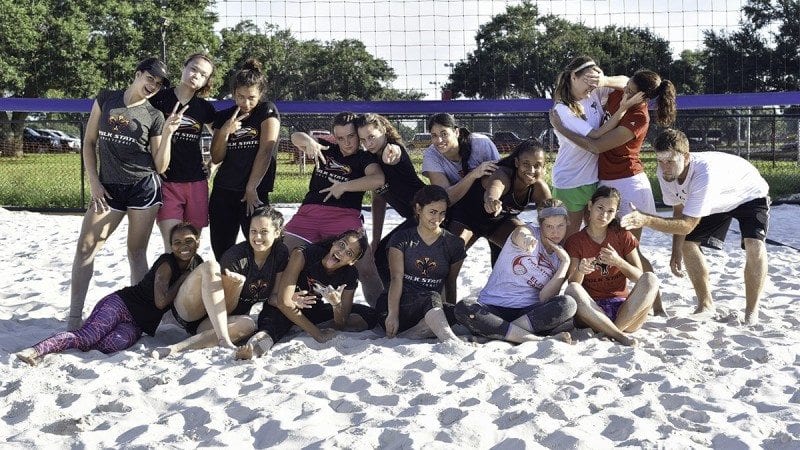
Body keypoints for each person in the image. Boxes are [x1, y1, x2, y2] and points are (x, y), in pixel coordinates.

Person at [68, 57, 186, 331]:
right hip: (107, 187)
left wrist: (168, 132)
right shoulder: (106, 99)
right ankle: (74, 318)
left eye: (158, 84)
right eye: (150, 79)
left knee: (136, 252)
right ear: (137, 74)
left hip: (143, 188)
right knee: (86, 248)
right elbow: (88, 143)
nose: (153, 86)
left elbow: (161, 165)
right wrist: (94, 182)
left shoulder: (154, 116)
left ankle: (137, 318)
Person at [550, 69, 677, 316]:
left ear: (644, 98)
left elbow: (596, 146)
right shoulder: (622, 92)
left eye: (631, 91)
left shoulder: (639, 116)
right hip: (604, 181)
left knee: (631, 250)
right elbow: (617, 81)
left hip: (629, 183)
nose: (625, 92)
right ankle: (597, 296)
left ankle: (657, 305)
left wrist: (561, 129)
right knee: (596, 240)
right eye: (626, 87)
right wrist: (605, 80)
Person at [620, 129, 770, 324]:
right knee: (688, 246)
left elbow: (687, 225)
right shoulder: (664, 172)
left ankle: (751, 312)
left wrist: (646, 219)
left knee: (753, 244)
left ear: (686, 157)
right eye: (660, 161)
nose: (664, 167)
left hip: (748, 193)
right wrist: (676, 251)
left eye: (670, 161)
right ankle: (705, 304)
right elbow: (679, 209)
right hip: (717, 201)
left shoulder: (703, 174)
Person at [16, 223, 203, 365]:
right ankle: (34, 350)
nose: (183, 246)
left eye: (189, 241)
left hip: (137, 324)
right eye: (177, 242)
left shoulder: (199, 264)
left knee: (112, 344)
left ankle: (66, 344)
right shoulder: (166, 264)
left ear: (198, 241)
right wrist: (182, 279)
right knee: (87, 336)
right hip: (121, 304)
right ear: (171, 245)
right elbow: (161, 302)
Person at [151, 207, 289, 358]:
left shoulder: (280, 253)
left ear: (277, 232)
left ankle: (176, 348)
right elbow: (222, 303)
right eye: (253, 231)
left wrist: (292, 300)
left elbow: (274, 296)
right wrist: (235, 286)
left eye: (264, 231)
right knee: (211, 265)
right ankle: (223, 339)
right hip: (192, 310)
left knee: (248, 324)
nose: (257, 237)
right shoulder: (236, 257)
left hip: (210, 324)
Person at [285, 112, 385, 305]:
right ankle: (278, 303)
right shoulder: (326, 147)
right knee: (280, 254)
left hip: (345, 216)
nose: (346, 143)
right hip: (310, 213)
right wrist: (308, 140)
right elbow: (294, 137)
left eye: (351, 136)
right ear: (334, 137)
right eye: (340, 138)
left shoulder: (364, 159)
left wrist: (343, 186)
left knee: (366, 265)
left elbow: (378, 179)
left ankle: (382, 313)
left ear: (358, 134)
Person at [236, 230, 379, 359]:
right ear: (334, 243)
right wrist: (318, 334)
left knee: (369, 315)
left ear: (352, 261)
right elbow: (283, 302)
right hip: (283, 305)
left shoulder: (350, 274)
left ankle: (299, 326)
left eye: (349, 253)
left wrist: (336, 304)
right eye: (342, 245)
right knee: (270, 330)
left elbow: (341, 322)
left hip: (311, 308)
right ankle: (252, 350)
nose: (342, 252)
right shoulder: (304, 254)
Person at [454, 200, 576, 344]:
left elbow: (545, 298)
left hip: (528, 314)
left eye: (560, 226)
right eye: (549, 226)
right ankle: (533, 339)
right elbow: (521, 234)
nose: (555, 232)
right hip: (494, 308)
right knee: (464, 307)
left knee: (568, 304)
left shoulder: (560, 256)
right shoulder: (528, 231)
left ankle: (497, 334)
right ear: (540, 224)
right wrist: (526, 240)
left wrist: (565, 262)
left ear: (567, 223)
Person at [550, 56, 644, 237]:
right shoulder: (562, 109)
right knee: (569, 238)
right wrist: (623, 109)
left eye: (594, 81)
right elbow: (595, 135)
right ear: (573, 77)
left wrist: (604, 81)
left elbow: (626, 82)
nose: (592, 86)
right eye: (588, 81)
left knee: (594, 236)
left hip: (593, 179)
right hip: (570, 181)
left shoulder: (592, 93)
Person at [564, 186, 660, 346]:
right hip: (593, 312)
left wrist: (618, 261)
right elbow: (573, 284)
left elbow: (639, 276)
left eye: (610, 211)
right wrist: (581, 270)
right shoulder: (575, 240)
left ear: (615, 213)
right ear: (590, 206)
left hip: (626, 310)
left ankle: (613, 332)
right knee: (572, 290)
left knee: (651, 279)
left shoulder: (623, 235)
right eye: (600, 208)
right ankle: (618, 335)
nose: (604, 215)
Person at [208, 58, 280, 260]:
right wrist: (224, 132)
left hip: (253, 193)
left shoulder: (266, 110)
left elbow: (266, 150)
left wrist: (251, 187)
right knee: (222, 252)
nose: (245, 103)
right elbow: (216, 156)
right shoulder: (225, 116)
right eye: (240, 97)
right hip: (224, 191)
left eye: (251, 97)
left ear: (260, 95)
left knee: (261, 250)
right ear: (233, 93)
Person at [376, 185, 467, 341]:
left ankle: (415, 333)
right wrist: (392, 315)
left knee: (463, 309)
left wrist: (449, 313)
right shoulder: (401, 239)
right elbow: (396, 279)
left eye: (442, 213)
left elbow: (450, 282)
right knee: (431, 296)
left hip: (432, 309)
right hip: (397, 308)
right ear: (418, 209)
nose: (437, 219)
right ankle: (451, 341)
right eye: (432, 212)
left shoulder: (454, 243)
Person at [150, 53, 217, 251]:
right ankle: (170, 282)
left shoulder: (204, 108)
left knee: (190, 248)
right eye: (193, 69)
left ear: (206, 81)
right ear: (184, 67)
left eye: (203, 74)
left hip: (196, 182)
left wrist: (212, 164)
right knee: (174, 247)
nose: (196, 75)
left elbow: (222, 139)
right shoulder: (158, 100)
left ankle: (189, 283)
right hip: (167, 182)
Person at [355, 113, 426, 283]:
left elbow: (395, 153)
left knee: (385, 257)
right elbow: (378, 199)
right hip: (413, 219)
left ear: (384, 130)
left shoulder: (392, 148)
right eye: (363, 140)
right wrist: (376, 239)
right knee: (379, 255)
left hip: (427, 213)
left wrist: (391, 154)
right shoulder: (371, 159)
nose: (368, 143)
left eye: (372, 136)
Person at [452, 139, 552, 254]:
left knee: (528, 244)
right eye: (526, 164)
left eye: (537, 165)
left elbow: (551, 215)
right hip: (468, 217)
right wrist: (492, 200)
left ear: (544, 167)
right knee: (452, 253)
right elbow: (494, 189)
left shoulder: (539, 187)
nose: (531, 170)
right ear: (516, 163)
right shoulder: (503, 174)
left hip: (499, 223)